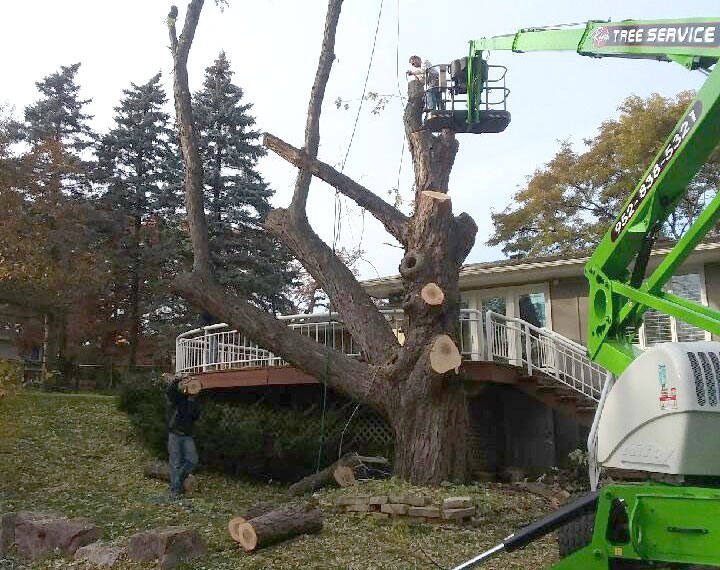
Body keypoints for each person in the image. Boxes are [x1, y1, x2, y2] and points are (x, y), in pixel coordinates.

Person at [166, 374, 200, 496]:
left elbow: (194, 415)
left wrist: (192, 400)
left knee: (193, 460)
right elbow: (170, 392)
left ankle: (179, 479)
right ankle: (175, 490)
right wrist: (177, 380)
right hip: (174, 434)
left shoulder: (194, 403)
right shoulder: (179, 398)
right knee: (175, 462)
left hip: (187, 435)